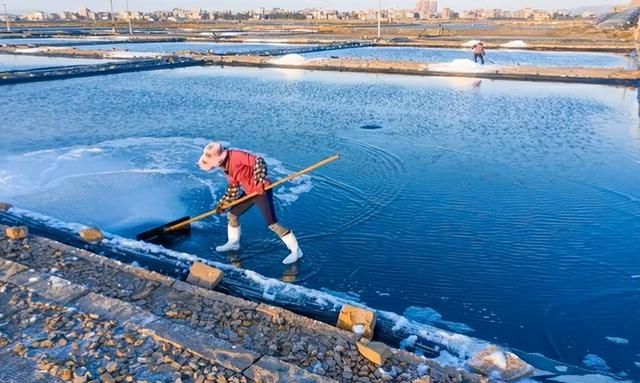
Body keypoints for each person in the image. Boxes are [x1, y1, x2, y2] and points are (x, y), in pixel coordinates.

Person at [198, 142, 303, 265]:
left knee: (272, 224)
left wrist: (260, 181)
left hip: (262, 191)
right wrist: (222, 204)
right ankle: (233, 243)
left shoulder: (236, 156)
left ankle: (296, 251)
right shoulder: (225, 167)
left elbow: (258, 161)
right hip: (249, 192)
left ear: (220, 159)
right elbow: (233, 186)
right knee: (232, 214)